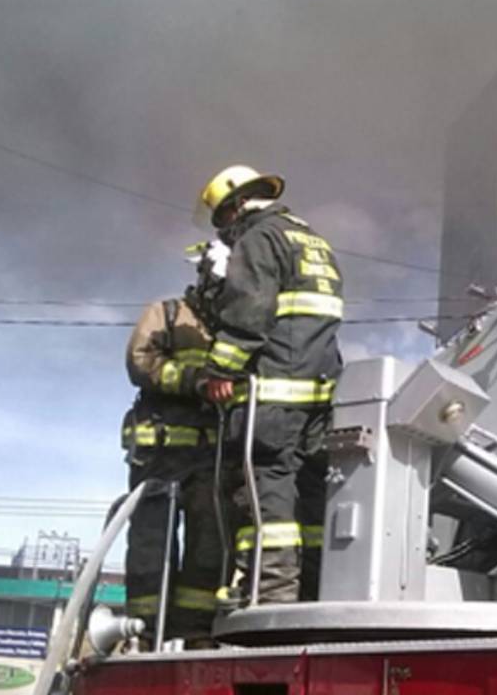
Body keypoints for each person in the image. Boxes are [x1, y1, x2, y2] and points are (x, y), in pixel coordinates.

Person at [194, 164, 343, 604]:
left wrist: (221, 370)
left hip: (276, 390)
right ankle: (312, 588)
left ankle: (272, 589)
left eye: (223, 220)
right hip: (321, 390)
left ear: (237, 205)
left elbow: (249, 313)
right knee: (310, 493)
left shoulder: (260, 238)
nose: (225, 233)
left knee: (268, 484)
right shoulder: (314, 241)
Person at [122, 292, 222, 646]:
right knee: (152, 543)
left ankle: (194, 630)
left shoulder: (238, 323)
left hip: (211, 455)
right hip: (159, 453)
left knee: (209, 543)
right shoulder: (167, 313)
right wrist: (194, 380)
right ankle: (144, 630)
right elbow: (140, 360)